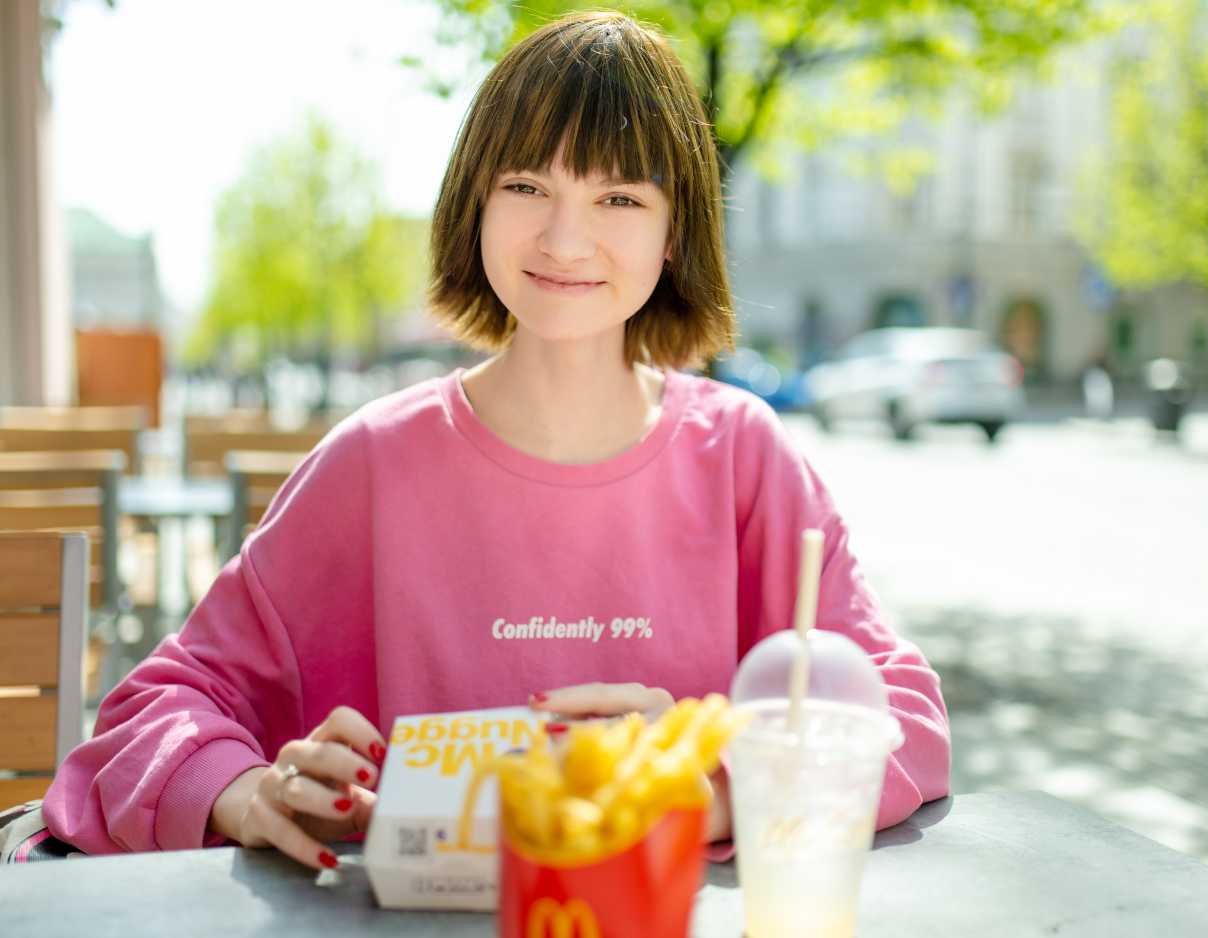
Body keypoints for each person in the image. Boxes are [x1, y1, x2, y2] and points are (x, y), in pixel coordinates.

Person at [38, 11, 950, 871]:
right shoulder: (371, 465)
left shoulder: (745, 457)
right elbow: (153, 714)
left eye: (620, 197)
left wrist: (704, 790)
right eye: (526, 186)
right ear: (475, 201)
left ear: (676, 232)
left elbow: (899, 713)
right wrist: (244, 793)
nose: (564, 236)